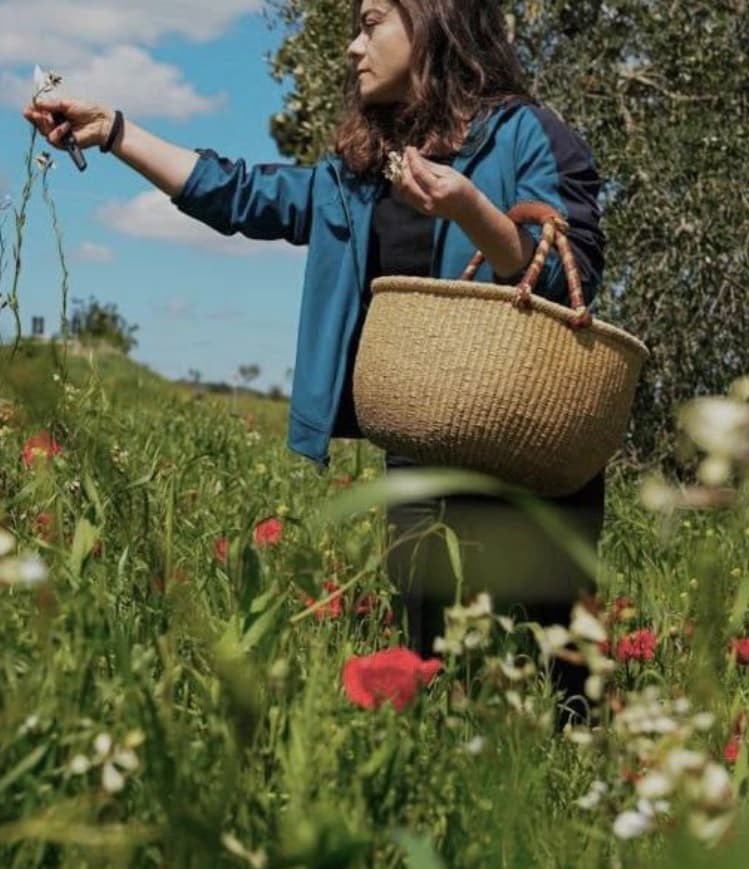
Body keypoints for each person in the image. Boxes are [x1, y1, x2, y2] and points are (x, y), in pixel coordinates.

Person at [23, 0, 606, 683]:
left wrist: (470, 209)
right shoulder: (361, 174)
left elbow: (573, 280)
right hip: (421, 450)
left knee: (569, 680)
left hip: (530, 448)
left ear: (433, 22)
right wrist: (116, 131)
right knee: (436, 675)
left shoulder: (530, 135)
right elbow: (238, 194)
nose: (352, 49)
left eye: (369, 24)